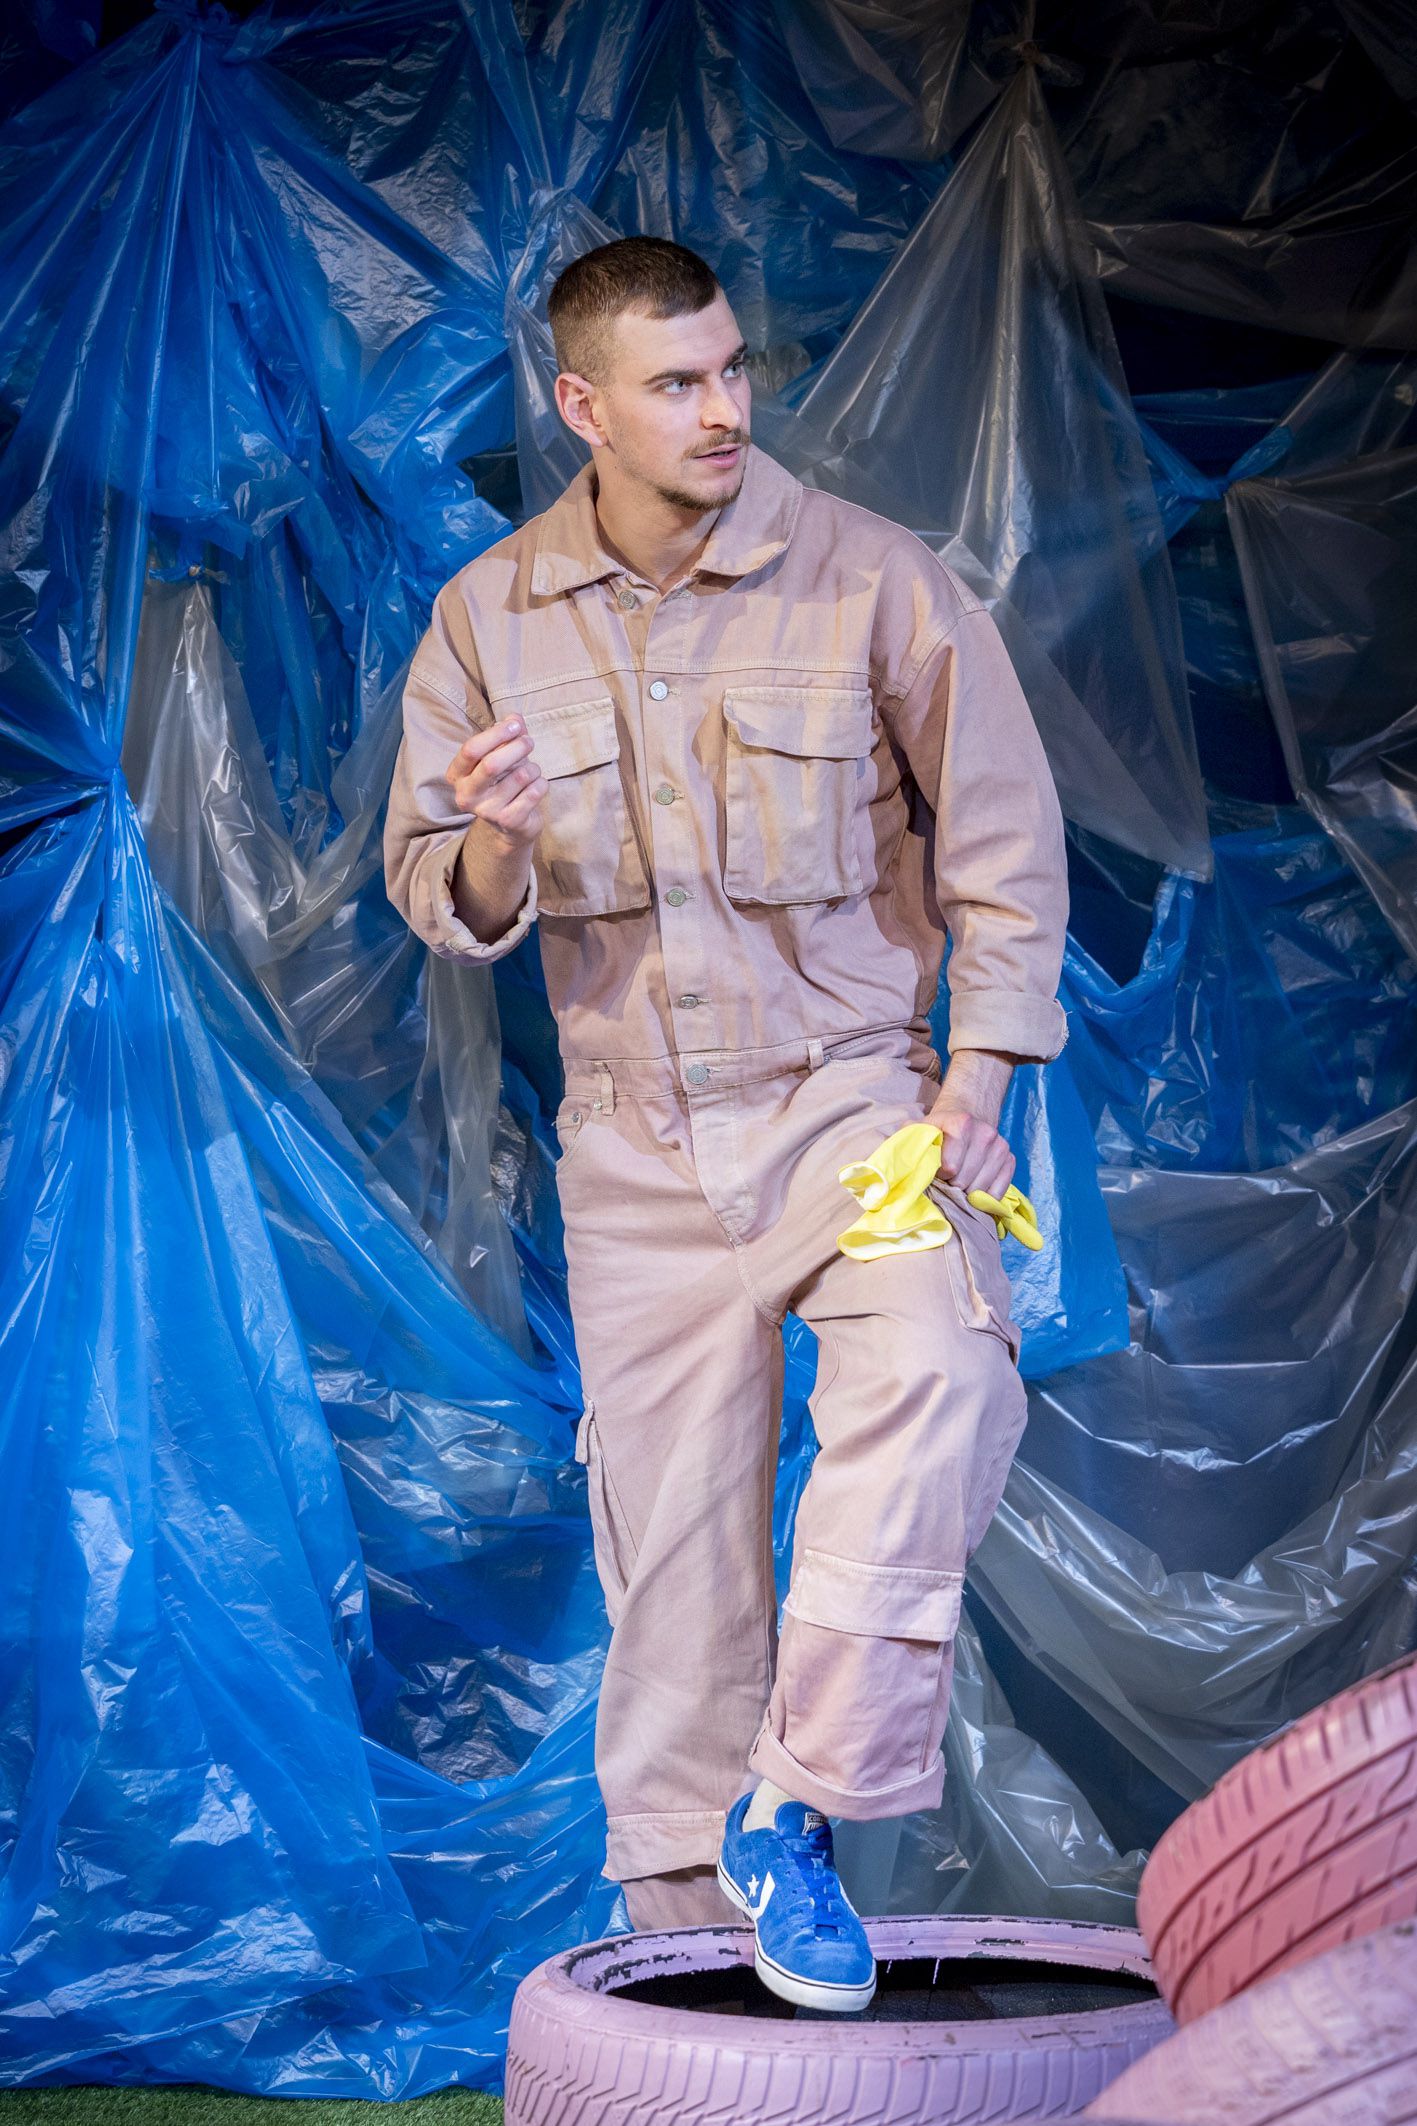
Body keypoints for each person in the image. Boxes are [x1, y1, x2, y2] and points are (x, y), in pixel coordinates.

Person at [384, 237, 1069, 2013]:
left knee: (941, 1368)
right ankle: (698, 1967)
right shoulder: (487, 617)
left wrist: (977, 1081)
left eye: (733, 368)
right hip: (630, 1144)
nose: (722, 408)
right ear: (580, 404)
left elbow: (1004, 846)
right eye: (675, 382)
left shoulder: (872, 580)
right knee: (673, 1569)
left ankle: (796, 1796)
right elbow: (438, 894)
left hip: (853, 1107)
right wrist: (496, 838)